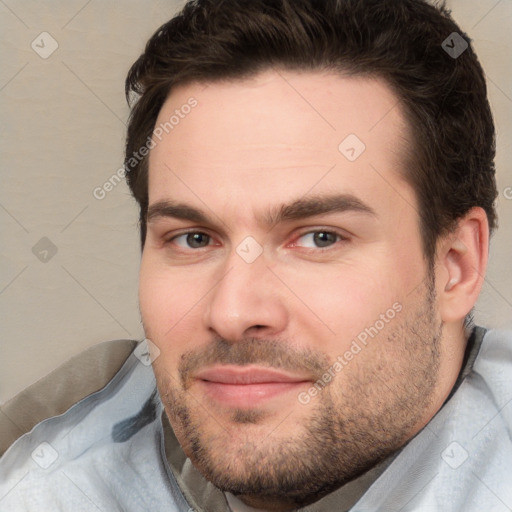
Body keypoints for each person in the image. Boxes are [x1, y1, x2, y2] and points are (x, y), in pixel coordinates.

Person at [1, 0, 511, 510]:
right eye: (194, 238)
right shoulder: (44, 473)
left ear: (456, 266)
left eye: (319, 238)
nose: (233, 313)